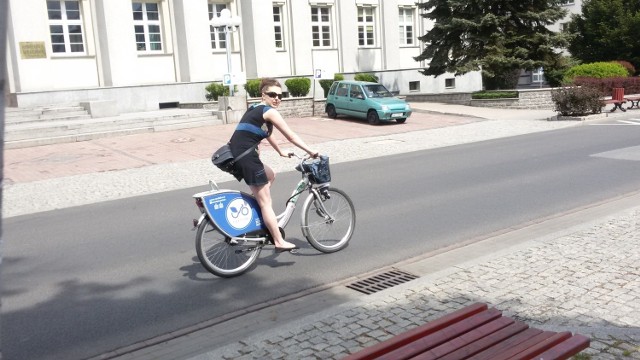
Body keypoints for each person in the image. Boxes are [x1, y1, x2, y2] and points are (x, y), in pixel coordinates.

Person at [229, 78, 319, 252]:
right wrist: (311, 152)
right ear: (263, 95)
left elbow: (266, 132)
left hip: (239, 155)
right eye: (272, 95)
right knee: (266, 202)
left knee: (271, 175)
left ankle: (251, 212)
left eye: (280, 95)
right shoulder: (270, 112)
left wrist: (280, 152)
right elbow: (291, 136)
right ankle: (278, 241)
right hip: (247, 158)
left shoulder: (255, 108)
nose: (277, 98)